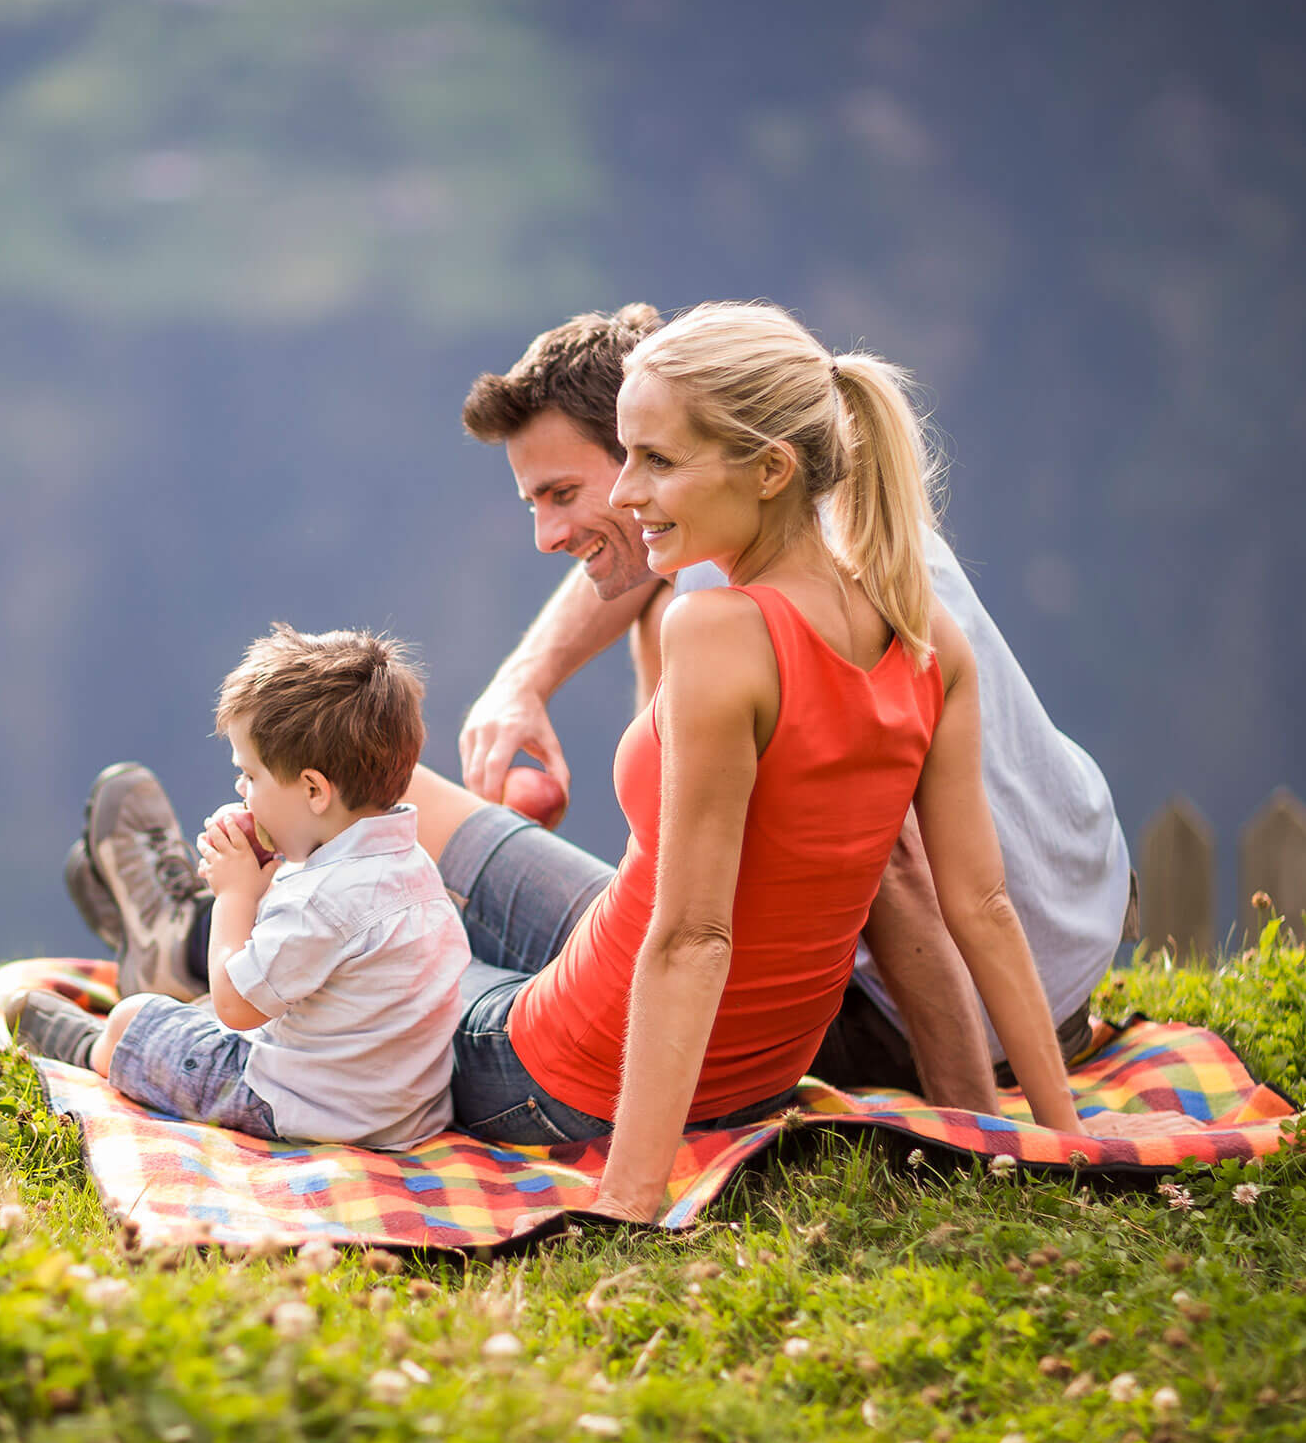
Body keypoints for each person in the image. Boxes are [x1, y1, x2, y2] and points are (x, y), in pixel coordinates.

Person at [74, 302, 1185, 1221]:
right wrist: (1053, 1135)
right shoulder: (908, 616)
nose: (624, 495)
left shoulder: (719, 633)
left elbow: (701, 935)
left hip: (580, 1065)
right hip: (745, 1049)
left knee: (374, 965)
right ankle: (224, 920)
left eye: (648, 463)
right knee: (392, 814)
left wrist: (629, 1194)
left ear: (766, 469)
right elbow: (980, 902)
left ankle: (193, 948)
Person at [450, 306, 1136, 1110]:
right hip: (1077, 922)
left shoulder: (750, 615)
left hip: (949, 1017)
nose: (547, 535)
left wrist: (969, 1116)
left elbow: (903, 874)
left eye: (567, 492)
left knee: (436, 953)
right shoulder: (836, 515)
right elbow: (636, 570)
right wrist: (525, 680)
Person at [8, 624, 469, 1150]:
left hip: (303, 1107)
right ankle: (157, 954)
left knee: (135, 1018)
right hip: (405, 1114)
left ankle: (93, 1047)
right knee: (203, 1007)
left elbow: (235, 1007)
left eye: (250, 776)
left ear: (314, 790)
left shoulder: (319, 901)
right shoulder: (412, 866)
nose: (240, 789)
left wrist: (235, 895)